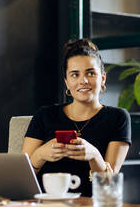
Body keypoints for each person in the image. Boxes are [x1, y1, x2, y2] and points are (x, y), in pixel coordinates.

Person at [22, 39, 131, 197]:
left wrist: (94, 155)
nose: (83, 81)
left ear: (103, 79)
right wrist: (40, 155)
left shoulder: (118, 118)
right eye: (75, 74)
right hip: (44, 206)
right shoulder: (44, 115)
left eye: (91, 73)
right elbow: (22, 179)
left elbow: (108, 186)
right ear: (66, 82)